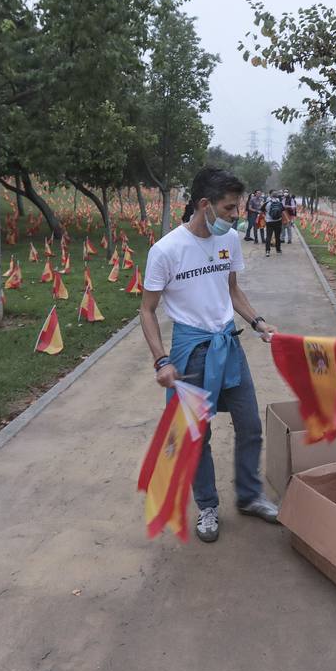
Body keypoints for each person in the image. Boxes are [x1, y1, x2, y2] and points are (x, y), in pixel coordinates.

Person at [139, 167, 280, 543]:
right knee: (196, 435)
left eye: (238, 207)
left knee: (250, 424)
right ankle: (207, 506)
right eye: (230, 207)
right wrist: (161, 360)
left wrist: (258, 322)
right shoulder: (166, 250)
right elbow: (147, 310)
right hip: (190, 352)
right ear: (205, 205)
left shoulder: (229, 239)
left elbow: (232, 290)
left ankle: (249, 497)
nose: (237, 214)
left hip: (227, 344)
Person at [262, 190, 285, 256]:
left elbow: (262, 210)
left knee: (268, 236)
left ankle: (267, 251)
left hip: (269, 221)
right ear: (277, 196)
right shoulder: (280, 203)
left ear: (270, 196)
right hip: (278, 221)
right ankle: (278, 250)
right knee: (277, 237)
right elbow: (282, 211)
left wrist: (266, 215)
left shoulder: (267, 203)